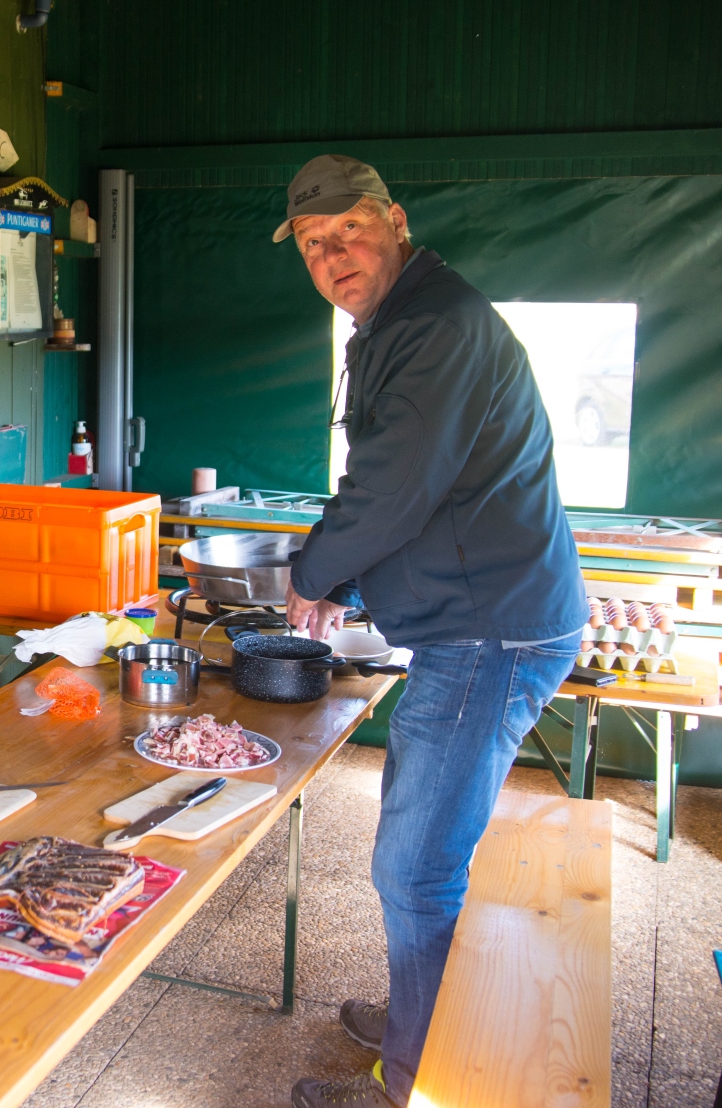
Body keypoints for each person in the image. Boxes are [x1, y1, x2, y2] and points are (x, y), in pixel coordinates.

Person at [273, 155, 586, 1108]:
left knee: (415, 867)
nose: (333, 255)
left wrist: (312, 575)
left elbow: (395, 488)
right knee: (420, 842)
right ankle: (427, 1014)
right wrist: (344, 575)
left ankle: (417, 1079)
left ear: (396, 222)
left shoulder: (435, 326)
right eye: (314, 244)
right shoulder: (397, 323)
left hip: (489, 633)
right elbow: (400, 477)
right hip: (480, 622)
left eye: (350, 231)